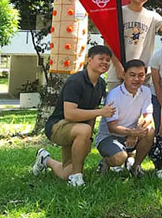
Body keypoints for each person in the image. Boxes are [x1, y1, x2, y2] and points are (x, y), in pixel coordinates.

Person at [32, 45, 115, 187]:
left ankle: (44, 159)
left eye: (108, 60)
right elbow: (69, 114)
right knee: (83, 130)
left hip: (78, 130)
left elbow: (92, 110)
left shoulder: (100, 83)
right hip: (58, 126)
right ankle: (76, 177)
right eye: (101, 58)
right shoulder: (76, 81)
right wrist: (100, 112)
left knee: (65, 173)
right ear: (89, 60)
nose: (105, 62)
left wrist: (87, 138)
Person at [105, 0, 162, 91]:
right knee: (115, 108)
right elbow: (108, 42)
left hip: (142, 75)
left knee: (141, 108)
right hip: (118, 73)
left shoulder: (152, 16)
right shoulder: (118, 13)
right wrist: (118, 66)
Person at [94, 59, 155, 178]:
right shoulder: (114, 95)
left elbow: (148, 116)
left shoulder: (146, 92)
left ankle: (136, 166)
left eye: (140, 75)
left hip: (131, 135)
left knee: (150, 130)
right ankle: (106, 161)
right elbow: (112, 127)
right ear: (124, 75)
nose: (136, 79)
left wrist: (135, 132)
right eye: (132, 75)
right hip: (109, 137)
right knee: (119, 158)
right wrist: (131, 132)